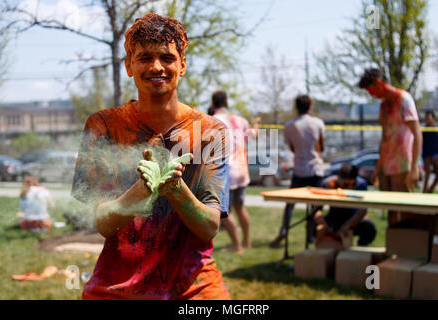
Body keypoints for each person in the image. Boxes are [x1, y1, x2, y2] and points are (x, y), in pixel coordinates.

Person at [72, 13, 231, 300]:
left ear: (182, 65)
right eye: (144, 57)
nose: (156, 66)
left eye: (167, 57)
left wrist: (175, 189)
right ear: (129, 66)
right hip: (118, 286)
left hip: (193, 285)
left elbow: (209, 228)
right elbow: (103, 225)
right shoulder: (103, 126)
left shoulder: (209, 131)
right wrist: (140, 192)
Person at [358, 68, 423, 227]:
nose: (371, 95)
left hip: (403, 163)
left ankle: (408, 248)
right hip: (387, 165)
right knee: (391, 209)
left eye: (371, 90)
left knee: (406, 207)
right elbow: (385, 138)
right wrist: (378, 167)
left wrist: (414, 167)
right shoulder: (383, 105)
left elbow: (417, 133)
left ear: (379, 83)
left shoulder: (403, 99)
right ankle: (392, 248)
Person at [270, 95, 325, 248]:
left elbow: (293, 148)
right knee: (316, 207)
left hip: (299, 170)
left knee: (290, 205)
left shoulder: (289, 125)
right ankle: (311, 236)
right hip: (315, 170)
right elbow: (321, 146)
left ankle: (283, 231)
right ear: (310, 106)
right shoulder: (318, 123)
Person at [212, 90, 259, 253]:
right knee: (240, 207)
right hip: (242, 170)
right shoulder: (240, 120)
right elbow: (254, 135)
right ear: (226, 102)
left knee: (224, 212)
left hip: (226, 172)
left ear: (213, 103)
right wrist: (256, 125)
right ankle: (247, 241)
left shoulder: (212, 120)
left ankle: (236, 246)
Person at [312, 164, 377, 247]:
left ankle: (361, 249)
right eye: (346, 184)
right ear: (339, 179)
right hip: (334, 219)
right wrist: (324, 225)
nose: (349, 187)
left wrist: (346, 226)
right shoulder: (328, 184)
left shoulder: (361, 185)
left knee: (368, 228)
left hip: (352, 219)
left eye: (353, 184)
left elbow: (362, 211)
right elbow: (316, 210)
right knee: (315, 227)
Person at [422, 110, 438, 193]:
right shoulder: (424, 130)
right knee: (427, 175)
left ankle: (430, 191)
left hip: (436, 155)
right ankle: (424, 192)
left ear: (433, 119)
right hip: (427, 156)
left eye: (429, 118)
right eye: (426, 118)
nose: (427, 120)